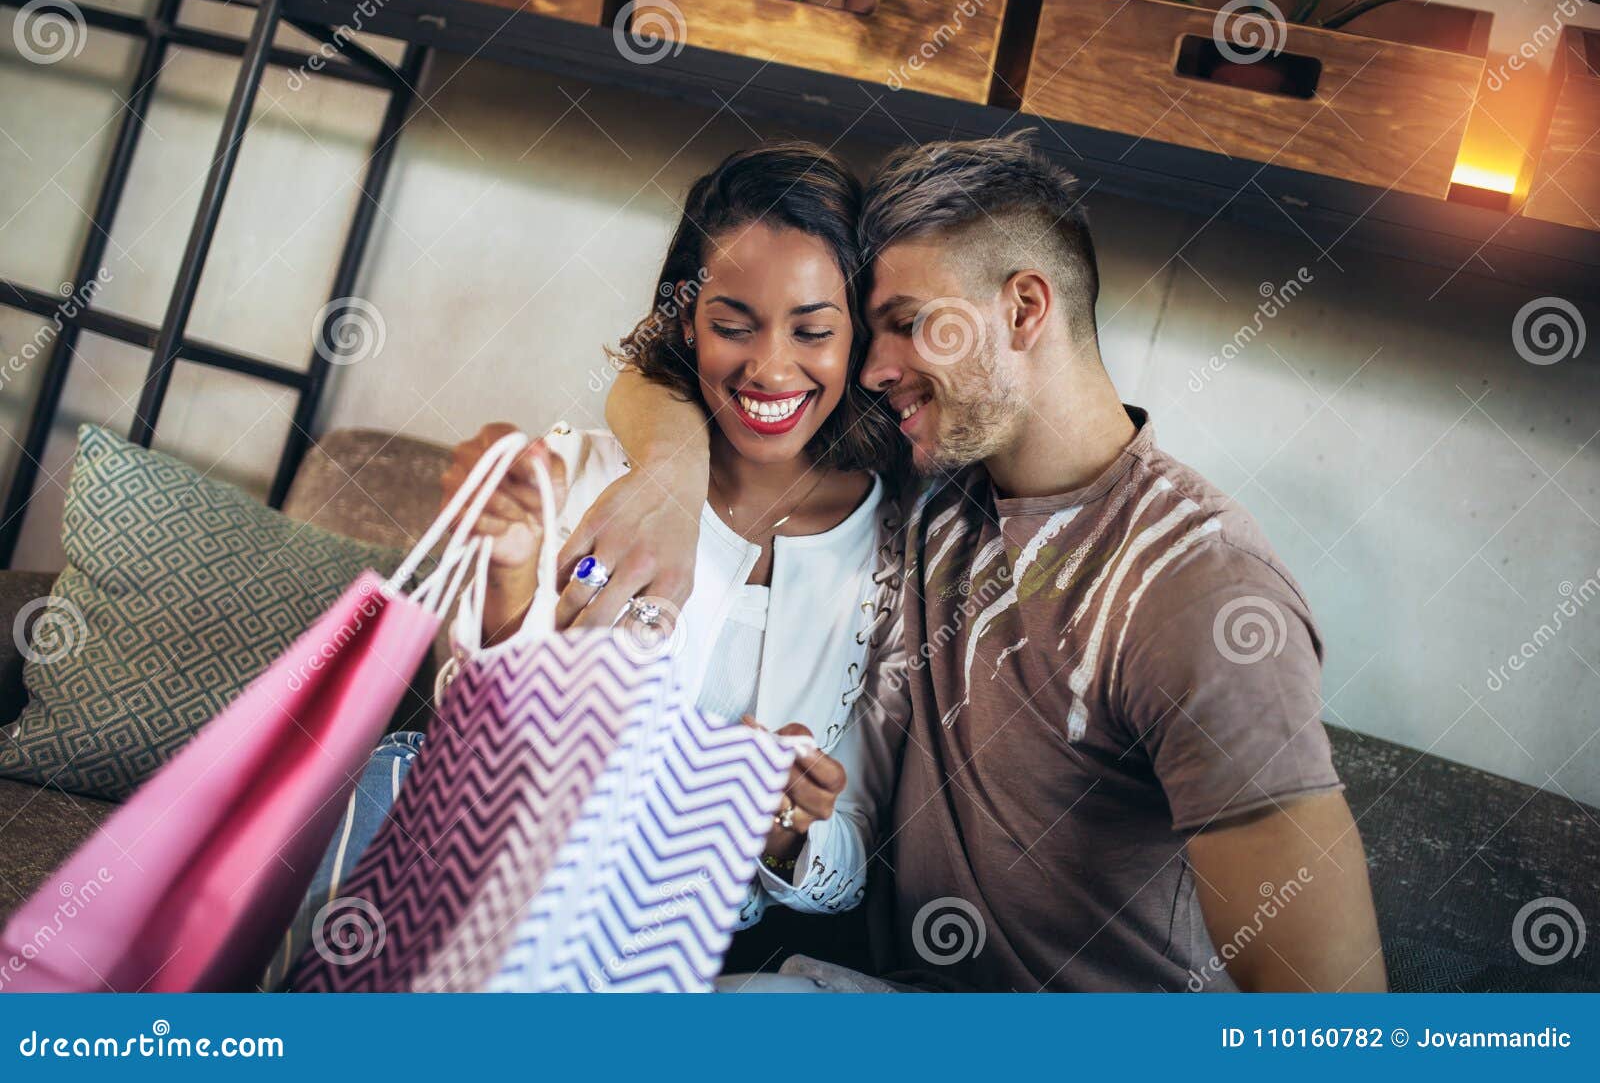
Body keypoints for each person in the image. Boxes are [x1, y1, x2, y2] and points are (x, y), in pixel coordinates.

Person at [563, 132, 1388, 992]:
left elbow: (1335, 1009)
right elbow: (661, 375)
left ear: (1025, 309)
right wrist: (668, 469)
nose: (875, 371)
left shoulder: (1197, 589)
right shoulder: (933, 489)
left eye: (910, 326)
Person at [439, 142, 913, 929]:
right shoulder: (578, 474)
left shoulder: (891, 557)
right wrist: (508, 578)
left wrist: (784, 830)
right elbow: (463, 749)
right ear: (686, 323)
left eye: (812, 332)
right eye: (733, 324)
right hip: (495, 918)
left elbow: (851, 863)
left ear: (857, 338)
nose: (770, 367)